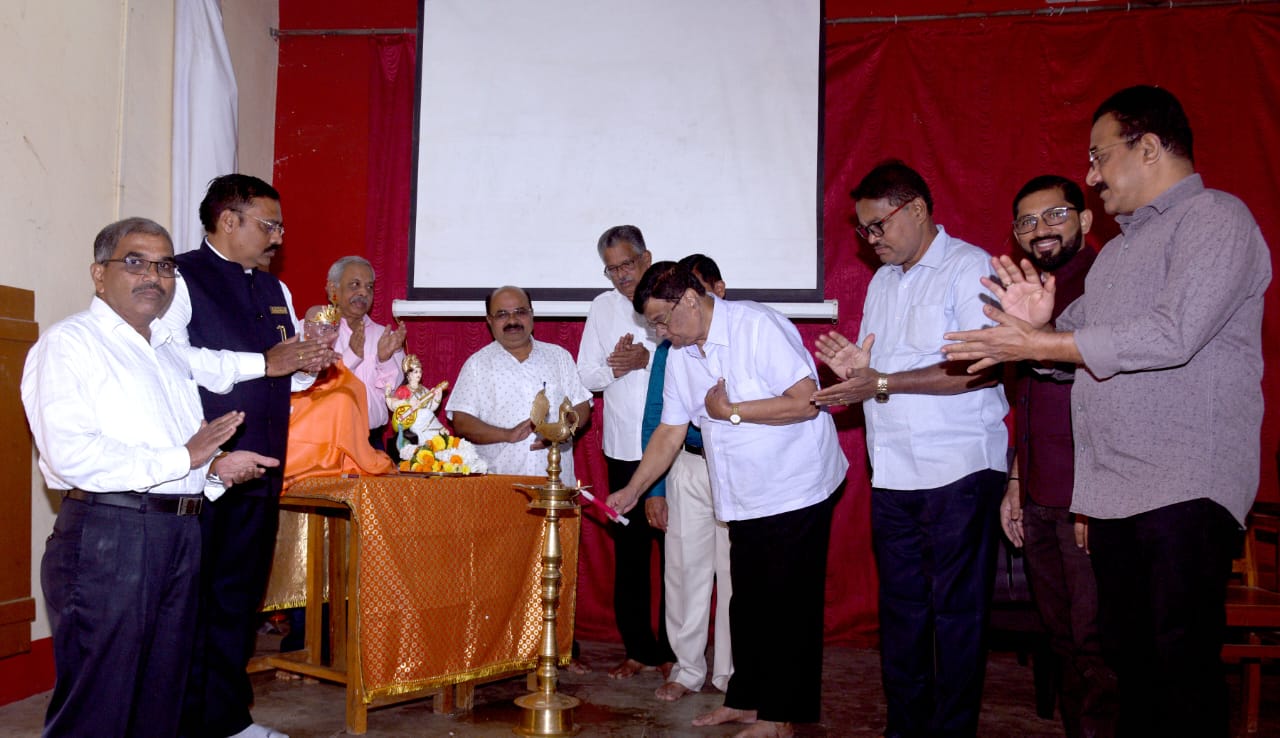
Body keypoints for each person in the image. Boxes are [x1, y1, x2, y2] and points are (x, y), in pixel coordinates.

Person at [943, 85, 1271, 737]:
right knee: (1128, 668)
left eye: (1099, 157)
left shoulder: (1215, 218)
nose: (1091, 176)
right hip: (1117, 493)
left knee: (1180, 669)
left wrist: (1043, 341)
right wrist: (1035, 330)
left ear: (1148, 148)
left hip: (1186, 486)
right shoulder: (1117, 253)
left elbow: (1173, 334)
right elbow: (1065, 352)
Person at [23, 217, 277, 738]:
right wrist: (185, 457)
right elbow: (71, 455)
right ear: (99, 274)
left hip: (179, 533)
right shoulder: (71, 343)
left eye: (165, 266)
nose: (153, 277)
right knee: (100, 706)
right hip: (109, 536)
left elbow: (176, 452)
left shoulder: (166, 351)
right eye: (135, 262)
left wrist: (213, 469)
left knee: (162, 699)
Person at [607, 260, 847, 738]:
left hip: (795, 485)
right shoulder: (681, 355)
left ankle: (780, 716)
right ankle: (746, 701)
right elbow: (671, 430)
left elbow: (807, 401)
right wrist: (634, 488)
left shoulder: (757, 326)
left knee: (785, 605)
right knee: (748, 601)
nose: (660, 333)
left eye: (661, 321)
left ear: (689, 300)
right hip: (742, 492)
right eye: (653, 326)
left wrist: (732, 411)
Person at [812, 160, 1008, 738]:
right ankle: (904, 727)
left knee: (957, 613)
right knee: (901, 611)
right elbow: (880, 375)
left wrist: (880, 381)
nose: (870, 239)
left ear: (917, 209)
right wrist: (861, 371)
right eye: (863, 230)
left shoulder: (969, 268)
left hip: (959, 469)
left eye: (879, 225)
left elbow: (978, 368)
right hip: (894, 471)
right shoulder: (882, 282)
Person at [164, 174, 338, 738]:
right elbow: (172, 364)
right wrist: (263, 362)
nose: (278, 238)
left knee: (239, 599)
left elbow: (281, 376)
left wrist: (307, 367)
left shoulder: (274, 288)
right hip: (202, 470)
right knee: (193, 602)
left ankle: (228, 720)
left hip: (262, 467)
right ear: (228, 220)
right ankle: (185, 722)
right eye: (269, 225)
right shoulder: (178, 278)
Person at [1000, 175, 1116, 738]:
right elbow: (1029, 398)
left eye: (1054, 215)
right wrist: (1016, 481)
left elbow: (1115, 397)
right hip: (1041, 493)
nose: (1040, 229)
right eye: (1027, 221)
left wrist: (1097, 498)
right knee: (1063, 638)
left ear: (1086, 219)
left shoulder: (1108, 281)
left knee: (1099, 646)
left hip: (1089, 498)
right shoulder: (1029, 290)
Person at [577, 225, 675, 679]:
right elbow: (587, 376)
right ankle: (638, 649)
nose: (621, 276)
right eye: (612, 269)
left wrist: (647, 359)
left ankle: (675, 651)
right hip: (622, 449)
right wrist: (617, 367)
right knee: (631, 558)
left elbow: (692, 361)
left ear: (646, 258)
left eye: (628, 265)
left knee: (676, 556)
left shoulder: (673, 296)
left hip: (672, 448)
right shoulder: (602, 307)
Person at [643, 254, 733, 702]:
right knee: (683, 571)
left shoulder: (743, 336)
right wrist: (653, 489)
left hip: (736, 467)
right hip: (688, 464)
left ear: (715, 291)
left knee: (736, 574)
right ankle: (686, 668)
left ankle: (732, 674)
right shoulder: (671, 350)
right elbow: (657, 419)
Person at [447, 285, 592, 479]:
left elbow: (581, 406)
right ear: (489, 320)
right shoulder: (477, 364)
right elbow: (462, 421)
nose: (512, 320)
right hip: (499, 482)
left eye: (520, 312)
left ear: (532, 314)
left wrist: (561, 431)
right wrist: (507, 434)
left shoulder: (558, 357)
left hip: (556, 483)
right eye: (502, 314)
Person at [325, 255, 407, 450]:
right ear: (333, 289)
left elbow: (393, 396)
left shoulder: (385, 336)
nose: (363, 292)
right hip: (327, 442)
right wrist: (350, 357)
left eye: (369, 287)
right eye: (355, 285)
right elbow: (317, 388)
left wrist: (385, 360)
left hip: (372, 442)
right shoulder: (313, 331)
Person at [385, 354, 445, 456]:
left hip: (425, 417)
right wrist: (408, 402)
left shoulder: (423, 389)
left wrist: (437, 398)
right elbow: (393, 405)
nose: (419, 374)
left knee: (427, 412)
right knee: (425, 413)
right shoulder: (403, 390)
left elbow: (431, 407)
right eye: (416, 372)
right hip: (411, 420)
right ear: (408, 375)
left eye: (420, 371)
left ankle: (437, 435)